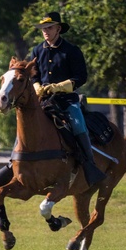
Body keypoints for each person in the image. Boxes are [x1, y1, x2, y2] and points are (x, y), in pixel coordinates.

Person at [30, 12, 106, 186]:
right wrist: (36, 87)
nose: (45, 31)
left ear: (58, 28)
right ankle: (13, 162)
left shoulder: (71, 51)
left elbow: (81, 77)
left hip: (66, 101)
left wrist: (58, 87)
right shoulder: (36, 51)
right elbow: (34, 75)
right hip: (43, 101)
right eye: (43, 28)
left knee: (79, 126)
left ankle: (89, 165)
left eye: (49, 27)